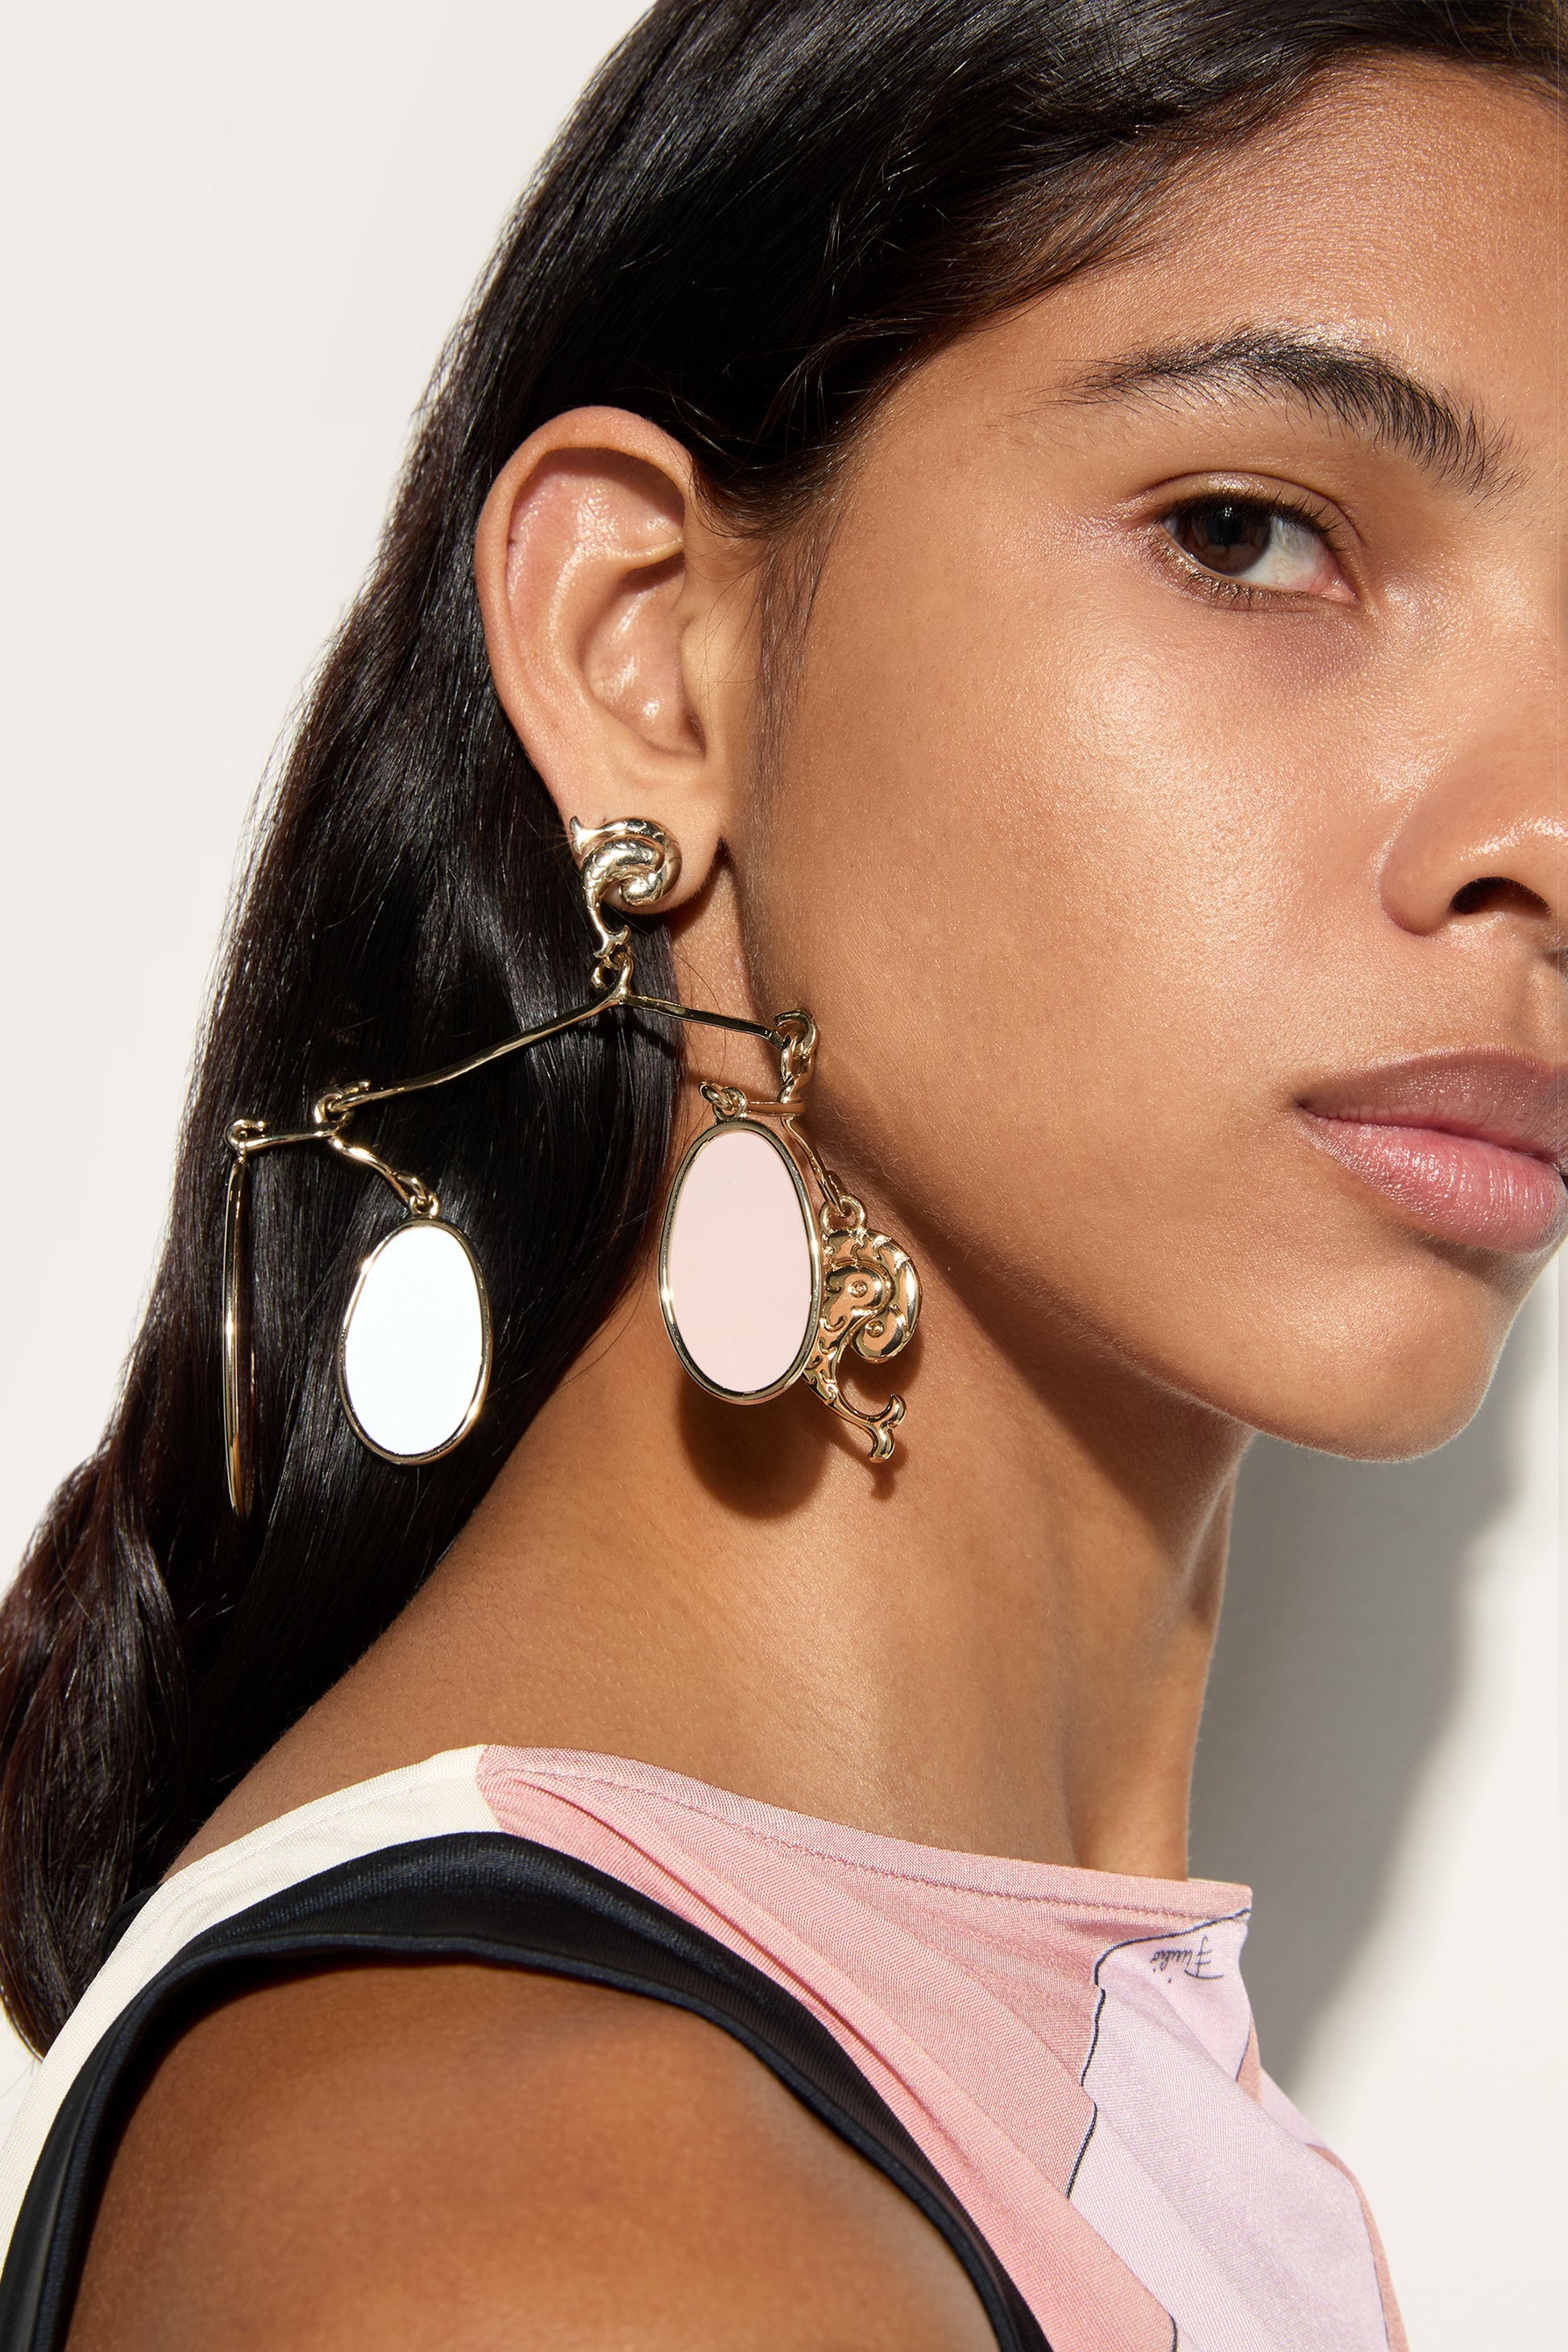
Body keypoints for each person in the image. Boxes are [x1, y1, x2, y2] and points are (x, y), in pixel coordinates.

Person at [0, 1, 1561, 2344]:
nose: (1542, 827)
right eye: (1248, 536)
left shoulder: (909, 2076)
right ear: (647, 651)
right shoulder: (543, 2236)